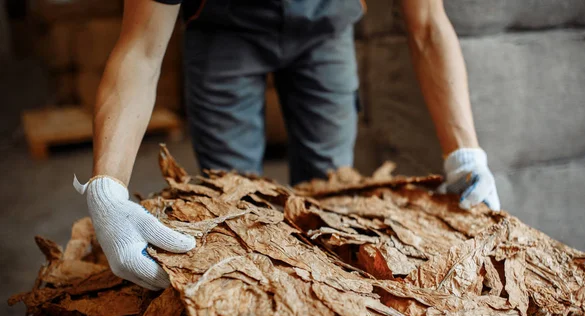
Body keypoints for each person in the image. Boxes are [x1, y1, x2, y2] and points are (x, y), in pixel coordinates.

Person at [75, 0, 500, 290]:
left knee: (330, 199)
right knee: (228, 205)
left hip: (325, 24)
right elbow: (141, 49)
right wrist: (107, 188)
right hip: (223, 26)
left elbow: (427, 25)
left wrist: (465, 154)